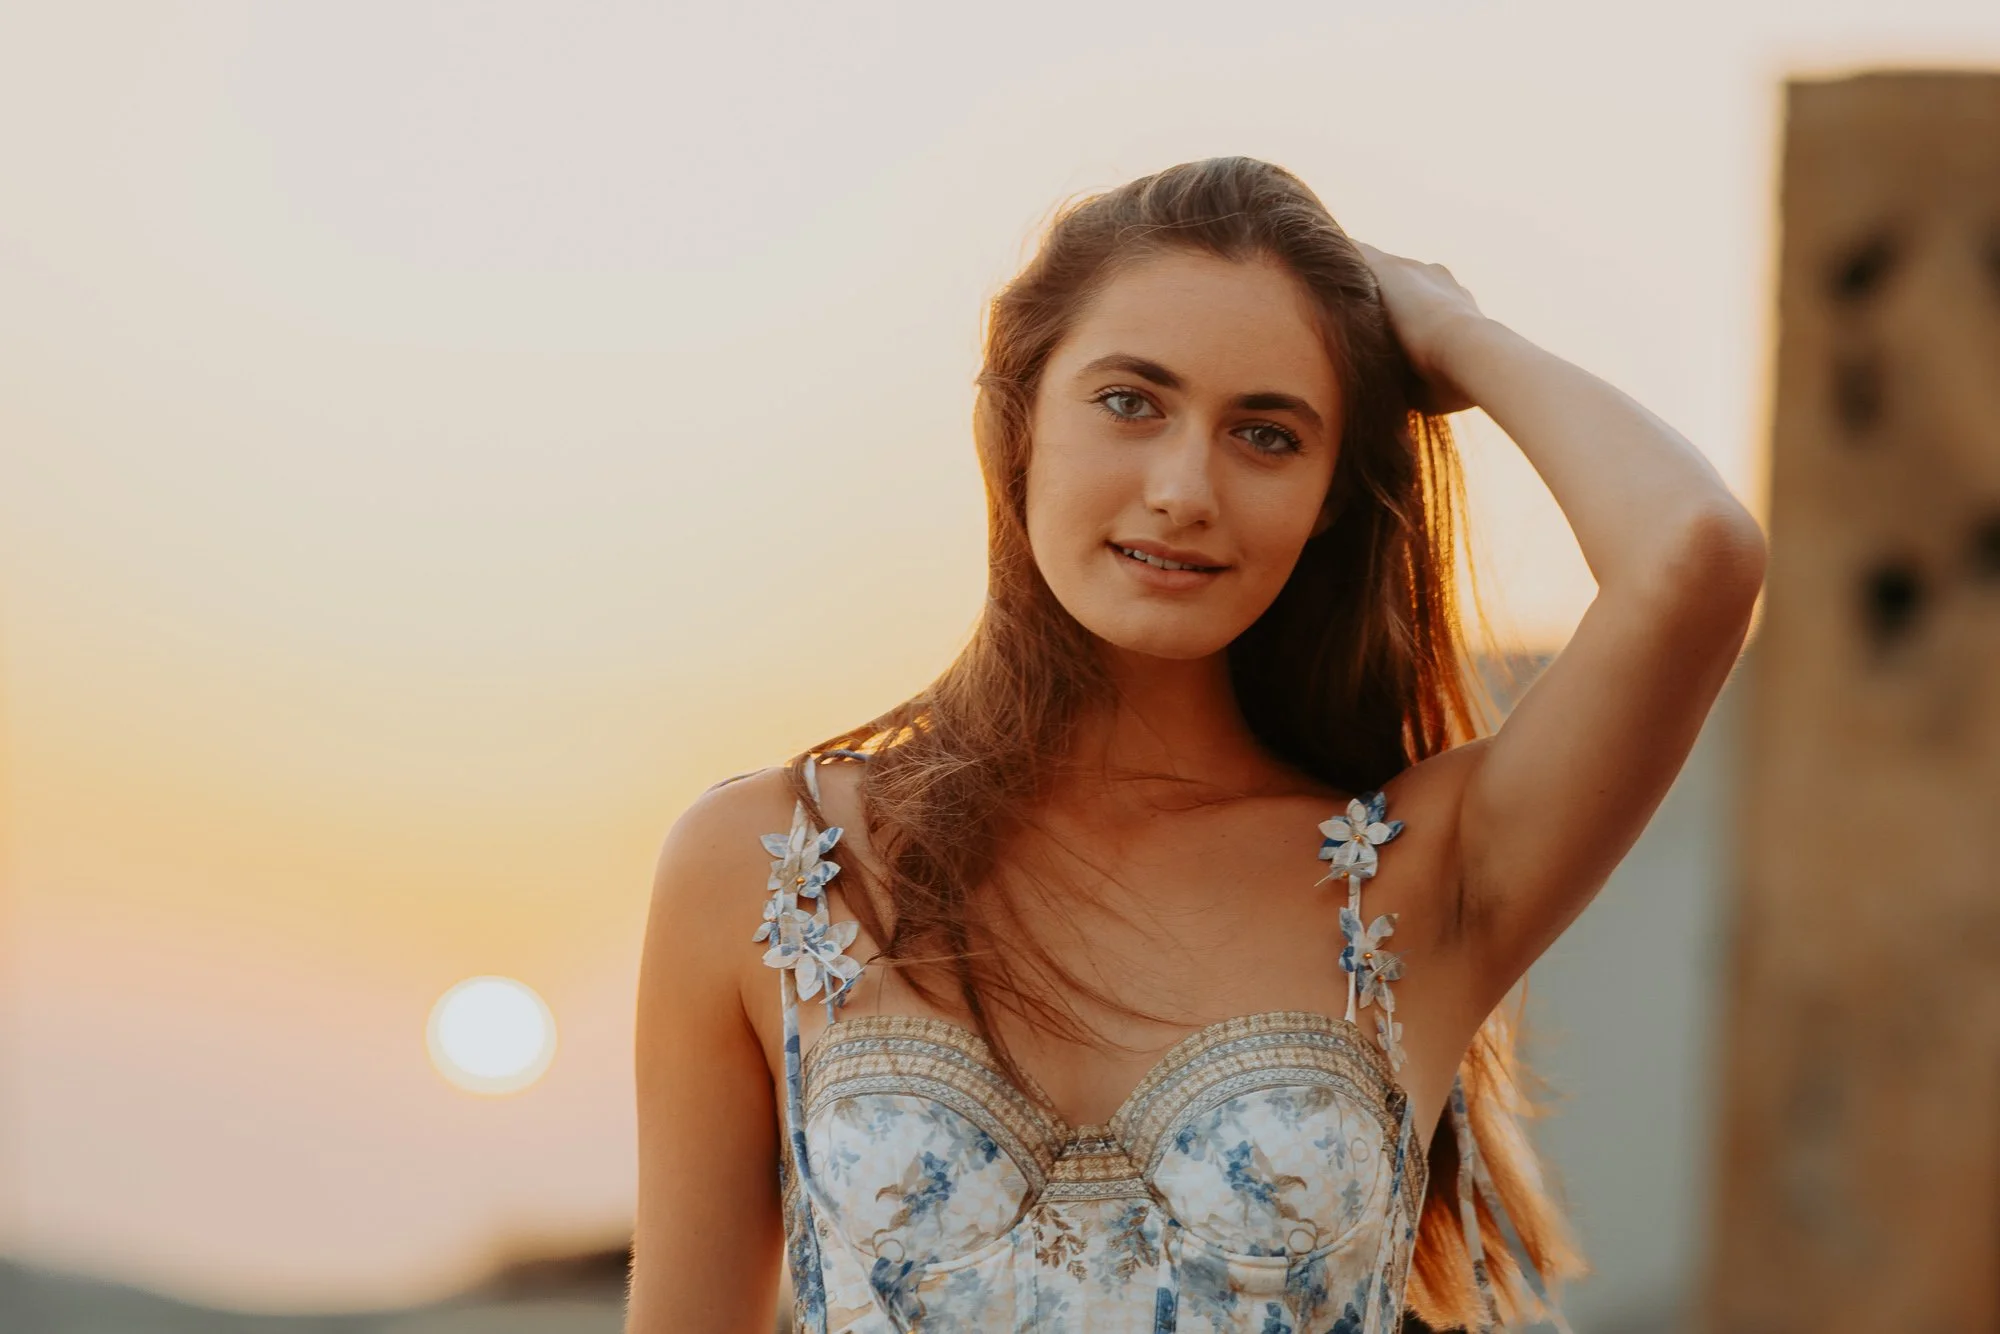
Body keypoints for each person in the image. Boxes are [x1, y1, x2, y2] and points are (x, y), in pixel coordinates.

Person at [626, 157, 1766, 1334]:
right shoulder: (770, 860)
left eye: (1266, 434)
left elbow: (1694, 551)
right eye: (1129, 401)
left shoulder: (1424, 874)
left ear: (1328, 493)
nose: (1183, 489)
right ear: (1013, 421)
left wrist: (1444, 328)